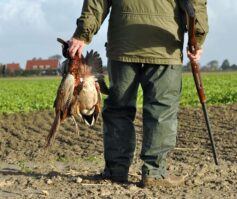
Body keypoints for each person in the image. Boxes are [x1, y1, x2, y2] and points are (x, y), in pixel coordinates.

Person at [68, 0, 208, 187]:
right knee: (161, 110)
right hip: (165, 43)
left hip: (124, 42)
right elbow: (194, 3)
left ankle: (116, 170)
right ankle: (155, 173)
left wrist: (82, 34)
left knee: (119, 107)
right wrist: (197, 37)